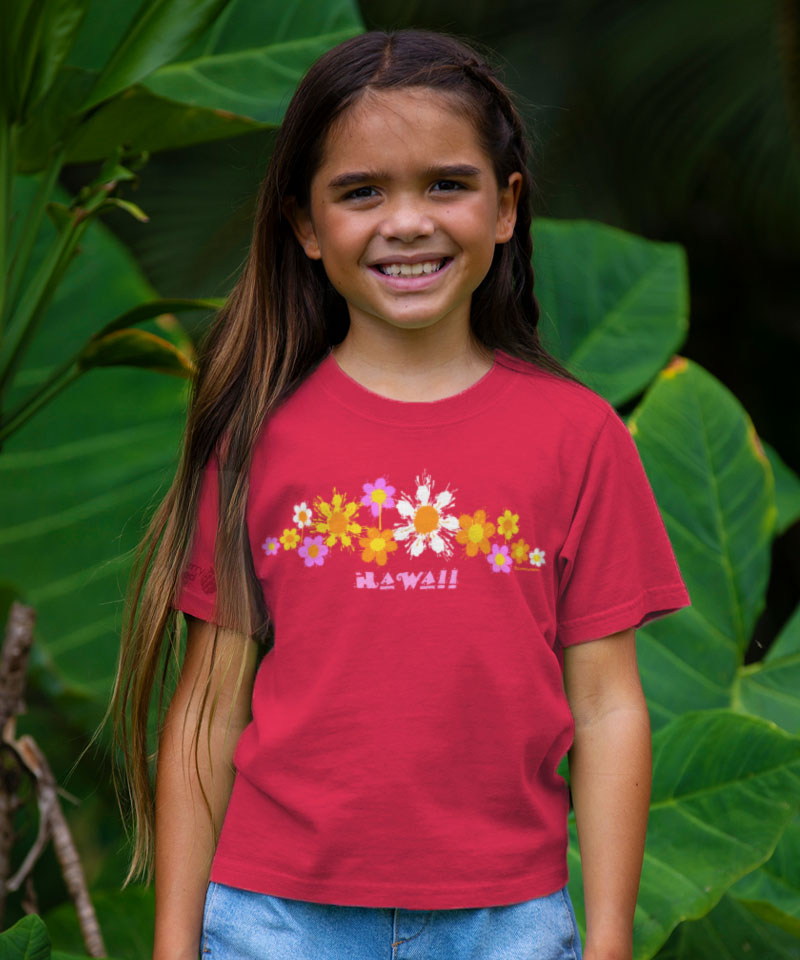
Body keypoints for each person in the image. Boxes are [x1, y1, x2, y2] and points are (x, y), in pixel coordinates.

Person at [102, 27, 691, 960]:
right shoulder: (258, 433)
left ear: (506, 209)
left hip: (508, 923)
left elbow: (609, 708)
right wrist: (176, 946)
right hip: (275, 920)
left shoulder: (580, 437)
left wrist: (610, 940)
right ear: (304, 224)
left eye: (446, 184)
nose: (406, 221)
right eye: (361, 190)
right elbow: (209, 706)